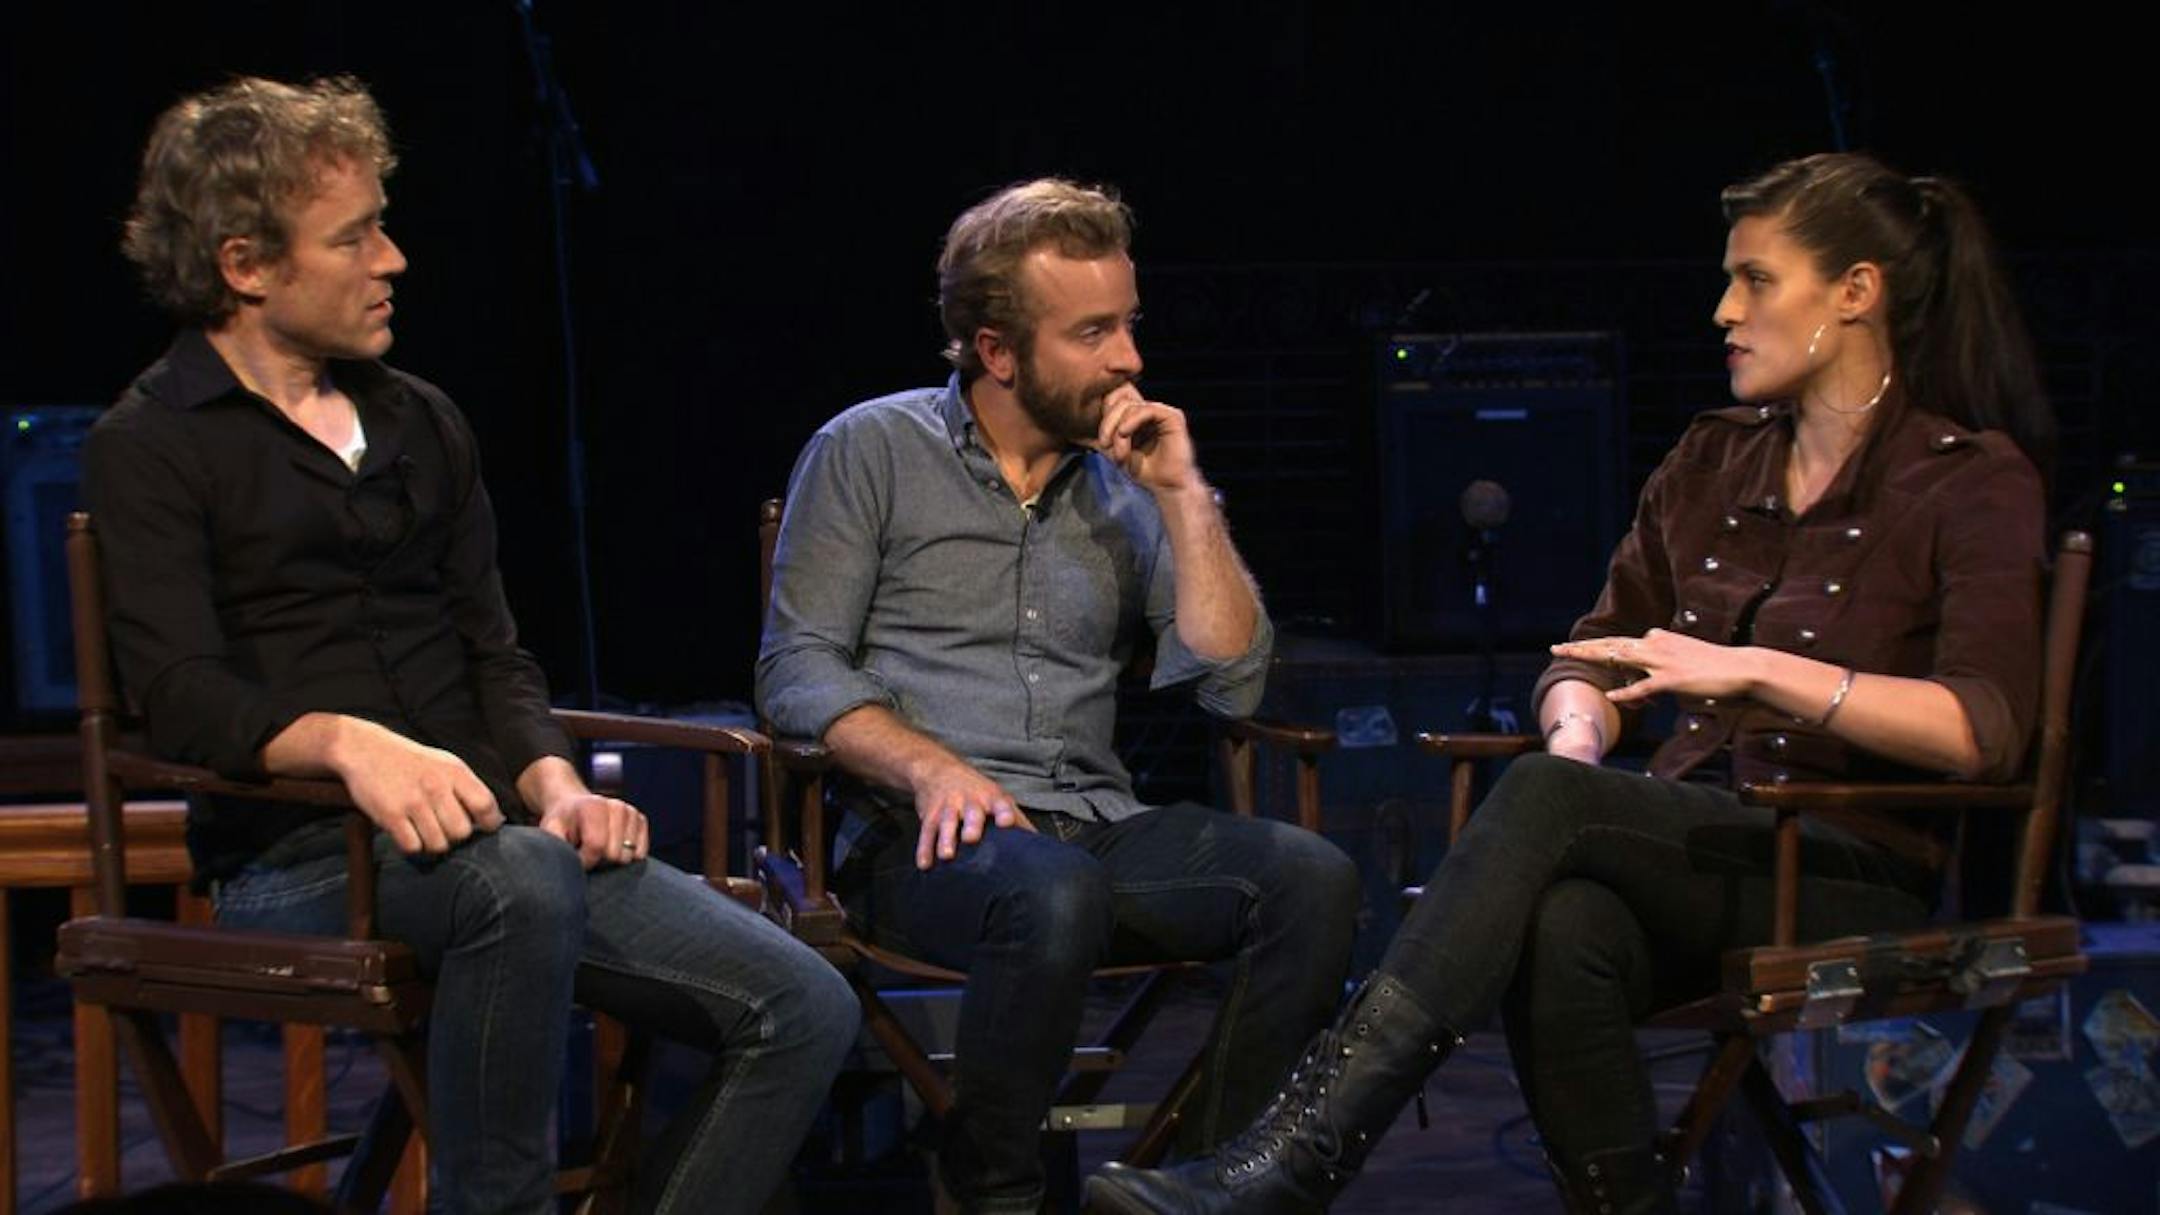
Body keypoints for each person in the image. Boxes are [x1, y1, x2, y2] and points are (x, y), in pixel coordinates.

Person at [1087, 151, 2056, 1215]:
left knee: (1555, 810)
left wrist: (1764, 671)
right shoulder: (1711, 460)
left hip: (1847, 861)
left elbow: (1983, 731)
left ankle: (1297, 1157)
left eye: (1756, 280)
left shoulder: (1968, 478)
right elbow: (1588, 654)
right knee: (1564, 926)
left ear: (1858, 291)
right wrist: (1579, 734)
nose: (1723, 309)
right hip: (1703, 839)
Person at [85, 76, 857, 1215]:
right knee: (518, 880)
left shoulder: (419, 419)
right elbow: (178, 692)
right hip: (298, 865)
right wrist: (353, 745)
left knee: (806, 1006)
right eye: (355, 237)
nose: (393, 258)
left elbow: (493, 649)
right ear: (247, 265)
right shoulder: (151, 444)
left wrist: (555, 783)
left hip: (503, 848)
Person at [756, 178, 1361, 1213]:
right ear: (997, 350)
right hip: (922, 843)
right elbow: (795, 668)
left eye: (1128, 324)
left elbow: (1230, 680)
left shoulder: (1130, 489)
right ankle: (995, 1193)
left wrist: (1183, 494)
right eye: (1093, 332)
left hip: (1088, 828)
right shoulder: (869, 451)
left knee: (1310, 880)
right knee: (1047, 892)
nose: (1128, 358)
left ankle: (1202, 1190)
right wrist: (934, 767)